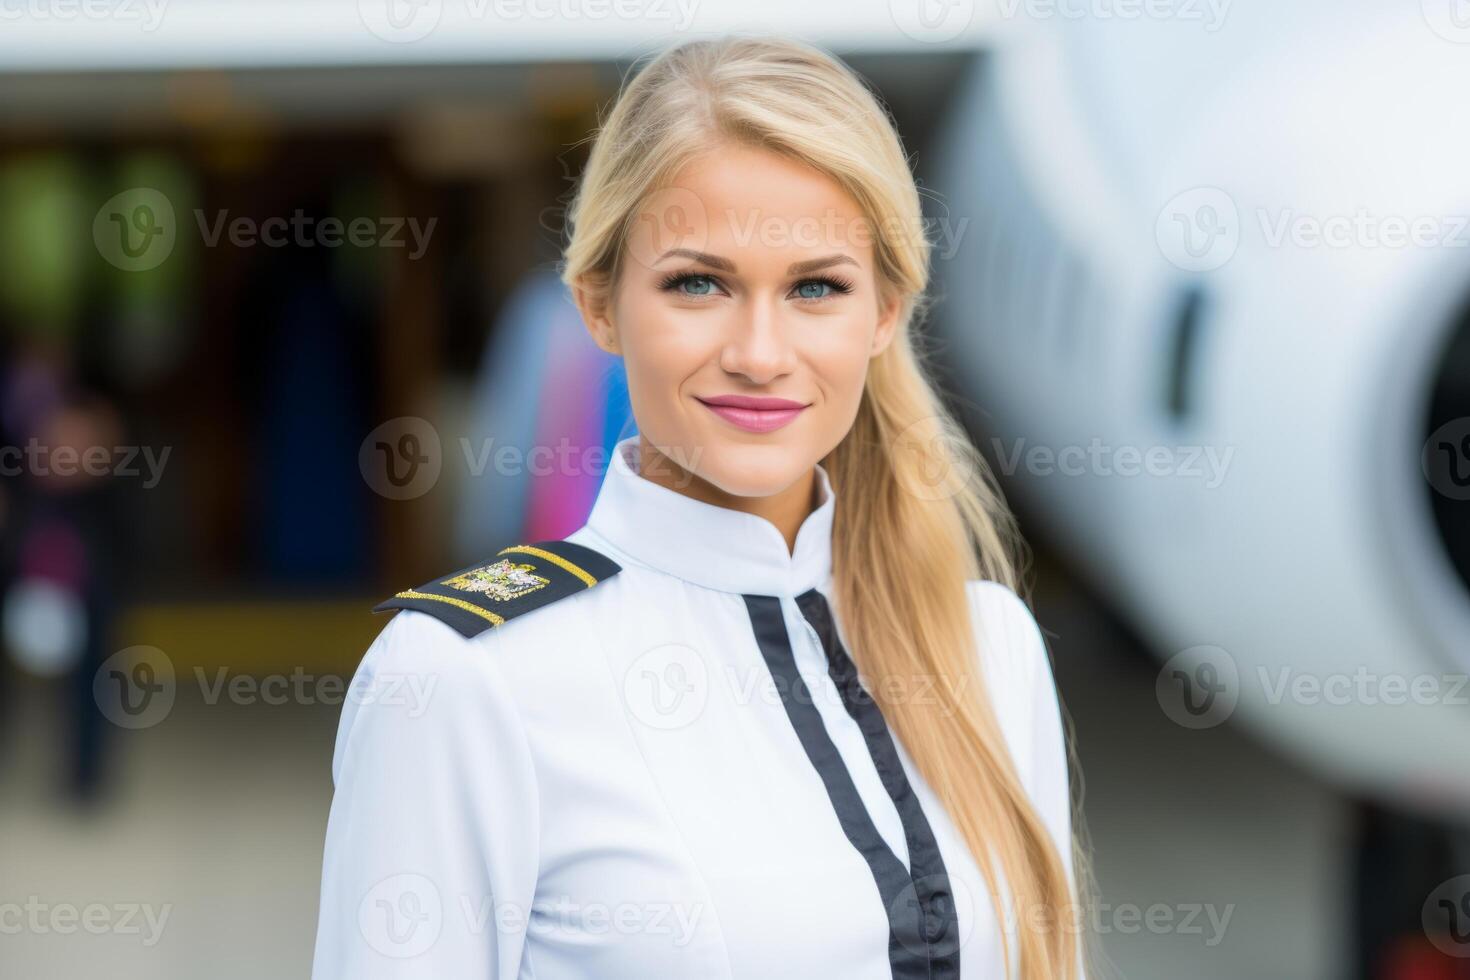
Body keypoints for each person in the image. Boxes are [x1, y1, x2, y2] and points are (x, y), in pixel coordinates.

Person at [311, 34, 1089, 980]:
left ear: (884, 312)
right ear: (598, 302)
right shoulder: (459, 681)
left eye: (816, 287)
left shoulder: (991, 650)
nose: (760, 353)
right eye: (698, 283)